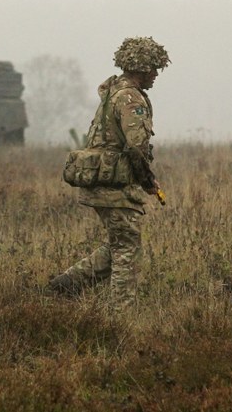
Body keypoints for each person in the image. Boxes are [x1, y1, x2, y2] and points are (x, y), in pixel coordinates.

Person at [49, 36, 170, 309]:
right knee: (127, 248)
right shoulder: (130, 98)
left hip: (102, 182)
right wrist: (147, 180)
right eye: (153, 69)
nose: (155, 75)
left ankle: (66, 285)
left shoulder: (112, 92)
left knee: (118, 243)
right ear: (141, 67)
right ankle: (121, 317)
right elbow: (136, 147)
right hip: (114, 187)